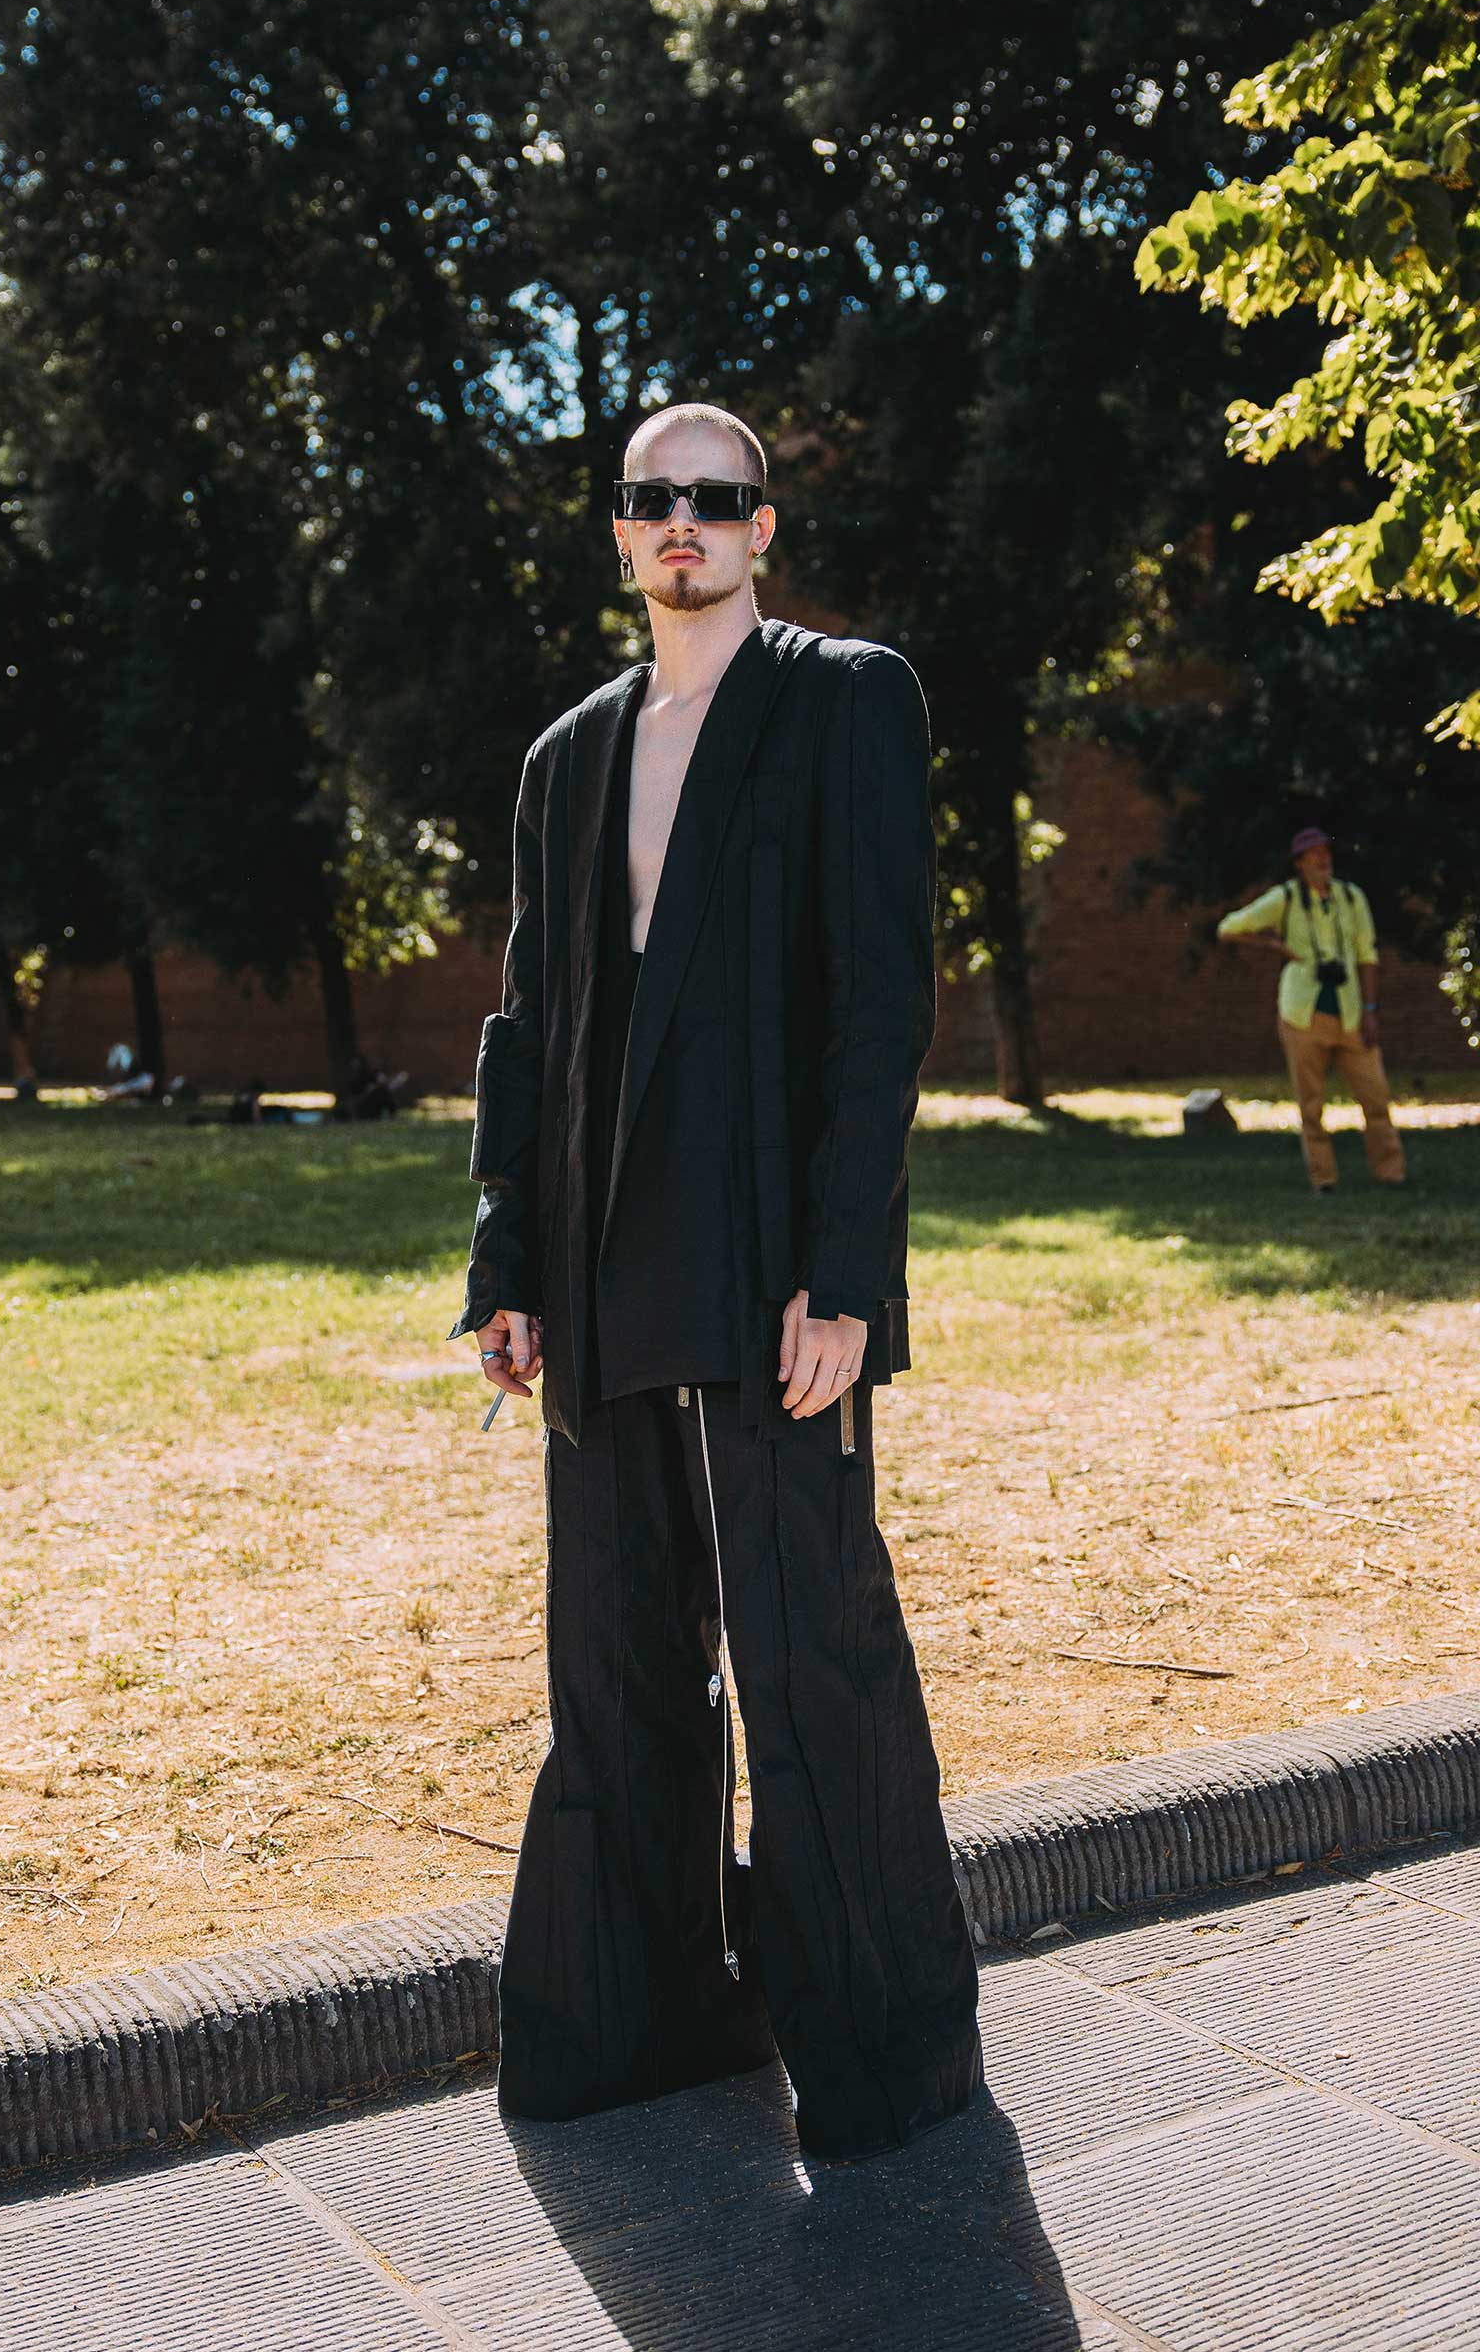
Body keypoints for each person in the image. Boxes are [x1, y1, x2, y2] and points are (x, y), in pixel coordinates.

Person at [449, 401, 982, 2164]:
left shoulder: (846, 699)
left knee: (810, 1647)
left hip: (775, 1266)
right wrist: (507, 1259)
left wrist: (846, 1275)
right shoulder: (567, 758)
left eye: (716, 496)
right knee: (613, 1653)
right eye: (652, 497)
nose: (683, 520)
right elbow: (530, 1023)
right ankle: (644, 2020)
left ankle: (887, 2057)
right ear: (621, 531)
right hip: (600, 1268)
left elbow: (880, 1005)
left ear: (762, 528)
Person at [1217, 825, 1406, 1193]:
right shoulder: (1285, 898)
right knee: (1311, 1103)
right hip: (1302, 1014)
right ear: (1299, 862)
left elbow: (1367, 955)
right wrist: (1273, 946)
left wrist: (1370, 1009)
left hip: (1350, 1012)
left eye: (1326, 852)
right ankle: (1324, 1179)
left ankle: (1391, 1174)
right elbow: (1228, 928)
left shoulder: (1351, 898)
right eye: (1314, 853)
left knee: (1375, 1095)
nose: (1323, 859)